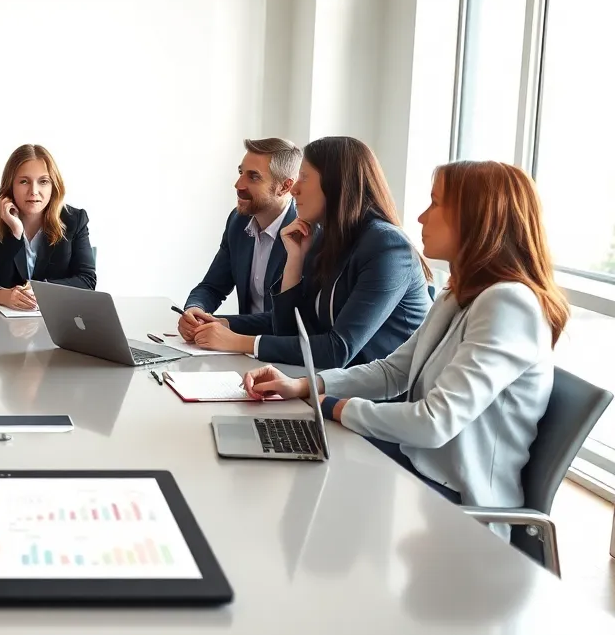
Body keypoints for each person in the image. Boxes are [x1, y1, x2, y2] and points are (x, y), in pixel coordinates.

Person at [242, 160, 569, 512]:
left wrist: (334, 407)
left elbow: (434, 422)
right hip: (416, 468)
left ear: (477, 216)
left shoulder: (509, 304)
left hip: (457, 503)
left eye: (436, 203)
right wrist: (306, 386)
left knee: (299, 489)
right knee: (284, 467)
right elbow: (392, 372)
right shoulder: (457, 295)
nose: (421, 218)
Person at [192, 136, 431, 368]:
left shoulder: (387, 246)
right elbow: (289, 329)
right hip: (331, 383)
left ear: (336, 185)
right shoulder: (325, 236)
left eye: (304, 177)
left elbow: (338, 350)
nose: (294, 189)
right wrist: (294, 261)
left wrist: (239, 342)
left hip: (383, 398)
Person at [178, 138, 299, 338]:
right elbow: (212, 286)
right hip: (240, 351)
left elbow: (285, 319)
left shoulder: (304, 234)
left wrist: (223, 324)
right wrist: (194, 310)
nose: (238, 184)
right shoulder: (238, 221)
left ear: (285, 187)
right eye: (241, 172)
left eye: (253, 177)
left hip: (284, 355)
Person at [0, 144, 95, 310]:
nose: (34, 191)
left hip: (58, 320)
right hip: (2, 323)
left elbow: (87, 280)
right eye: (24, 181)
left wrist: (43, 291)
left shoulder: (74, 220)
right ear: (11, 184)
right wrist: (15, 234)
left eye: (43, 181)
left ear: (53, 186)